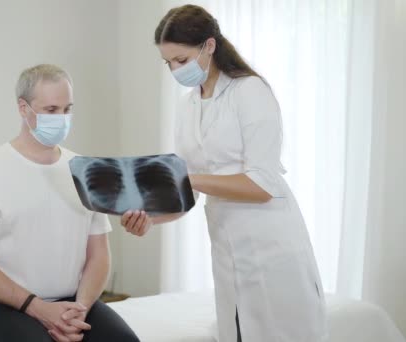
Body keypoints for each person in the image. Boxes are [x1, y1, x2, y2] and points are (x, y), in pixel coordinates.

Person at [121, 5, 327, 342]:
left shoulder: (250, 92)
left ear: (210, 46)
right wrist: (150, 218)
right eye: (168, 62)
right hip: (227, 247)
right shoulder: (187, 106)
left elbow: (262, 184)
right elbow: (187, 192)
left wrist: (187, 179)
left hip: (272, 245)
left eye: (182, 60)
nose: (175, 70)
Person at [0, 64, 139, 342]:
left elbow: (99, 255)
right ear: (23, 108)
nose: (62, 118)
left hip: (73, 301)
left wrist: (80, 309)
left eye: (67, 110)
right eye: (52, 110)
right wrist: (38, 308)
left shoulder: (84, 170)